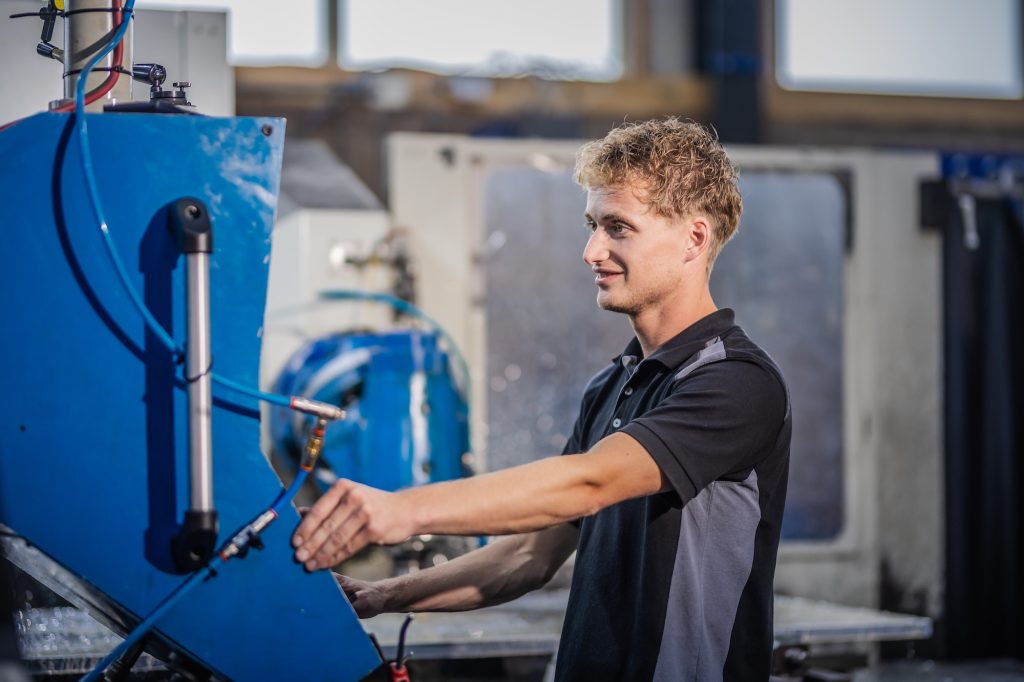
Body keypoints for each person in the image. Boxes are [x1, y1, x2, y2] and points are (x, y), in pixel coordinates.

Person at [291, 117, 791, 681]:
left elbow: (589, 482)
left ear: (693, 239)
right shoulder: (613, 386)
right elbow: (527, 556)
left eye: (618, 228)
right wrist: (382, 595)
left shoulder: (736, 382)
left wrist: (401, 510)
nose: (591, 250)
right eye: (593, 225)